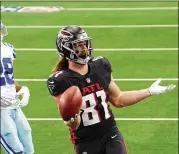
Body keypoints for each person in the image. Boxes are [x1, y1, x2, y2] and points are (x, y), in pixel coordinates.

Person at [47, 25, 176, 154]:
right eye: (78, 45)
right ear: (65, 49)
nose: (84, 48)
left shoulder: (100, 66)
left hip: (111, 135)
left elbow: (118, 100)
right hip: (85, 141)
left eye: (84, 43)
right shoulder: (60, 80)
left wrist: (149, 91)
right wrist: (70, 118)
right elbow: (74, 125)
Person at [0, 21, 35, 154]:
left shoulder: (7, 49)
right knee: (16, 150)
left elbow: (7, 78)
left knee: (28, 146)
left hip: (14, 104)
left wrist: (21, 89)